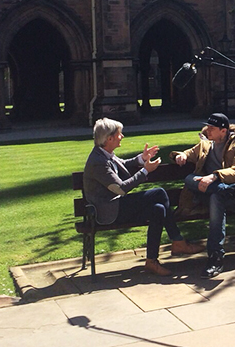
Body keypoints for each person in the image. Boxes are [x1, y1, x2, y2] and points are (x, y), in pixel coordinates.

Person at [83, 118, 204, 277]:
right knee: (159, 193)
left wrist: (141, 158)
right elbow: (120, 189)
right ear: (109, 138)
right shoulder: (98, 161)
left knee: (158, 210)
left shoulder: (104, 153)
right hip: (108, 212)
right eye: (119, 134)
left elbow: (123, 164)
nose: (122, 136)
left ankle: (151, 261)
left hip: (117, 206)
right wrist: (145, 170)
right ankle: (178, 240)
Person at [169, 113, 235, 278]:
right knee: (189, 179)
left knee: (217, 197)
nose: (208, 130)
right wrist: (181, 155)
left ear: (223, 131)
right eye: (207, 126)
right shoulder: (206, 145)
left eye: (212, 128)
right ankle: (230, 190)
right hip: (221, 194)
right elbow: (189, 153)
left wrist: (215, 176)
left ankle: (215, 257)